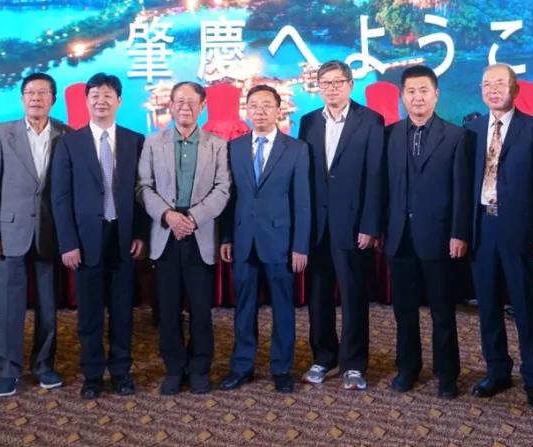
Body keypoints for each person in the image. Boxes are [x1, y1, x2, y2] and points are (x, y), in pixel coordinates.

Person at [464, 64, 533, 410]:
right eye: (487, 84)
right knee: (487, 305)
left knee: (526, 306)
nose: (493, 90)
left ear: (515, 89)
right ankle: (497, 370)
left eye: (500, 84)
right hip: (482, 227)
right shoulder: (471, 131)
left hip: (521, 231)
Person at [52, 73, 147, 399]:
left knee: (122, 311)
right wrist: (68, 243)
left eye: (107, 95)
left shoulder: (135, 140)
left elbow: (141, 192)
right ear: (86, 101)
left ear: (119, 101)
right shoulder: (69, 143)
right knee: (90, 313)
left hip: (123, 236)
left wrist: (140, 233)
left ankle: (121, 372)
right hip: (85, 239)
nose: (101, 101)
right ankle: (92, 374)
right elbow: (60, 197)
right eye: (94, 95)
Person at [383, 64, 472, 398]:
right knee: (404, 312)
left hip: (439, 237)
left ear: (436, 94)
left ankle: (447, 375)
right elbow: (381, 187)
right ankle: (408, 368)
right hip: (399, 237)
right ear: (402, 96)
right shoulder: (389, 135)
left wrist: (459, 233)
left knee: (442, 312)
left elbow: (462, 190)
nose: (417, 97)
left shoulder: (456, 136)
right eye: (411, 91)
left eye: (423, 91)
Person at [0, 72, 71, 397]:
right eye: (30, 92)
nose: (36, 98)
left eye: (42, 93)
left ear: (53, 100)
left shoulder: (67, 134)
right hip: (10, 231)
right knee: (10, 305)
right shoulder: (1, 133)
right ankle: (8, 369)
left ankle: (44, 365)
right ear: (22, 99)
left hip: (50, 232)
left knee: (48, 305)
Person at [137, 81, 230, 395]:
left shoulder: (217, 145)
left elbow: (223, 189)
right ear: (171, 106)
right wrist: (168, 216)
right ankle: (174, 368)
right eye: (179, 101)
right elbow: (143, 186)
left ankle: (200, 367)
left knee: (201, 309)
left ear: (202, 106)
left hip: (199, 234)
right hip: (165, 233)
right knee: (168, 308)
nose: (185, 107)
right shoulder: (153, 142)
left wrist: (192, 218)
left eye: (192, 102)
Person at [218, 84, 311, 394]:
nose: (260, 111)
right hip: (244, 240)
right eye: (254, 106)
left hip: (281, 242)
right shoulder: (234, 147)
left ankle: (281, 369)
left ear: (278, 111)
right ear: (246, 111)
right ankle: (242, 366)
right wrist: (227, 237)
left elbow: (302, 202)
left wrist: (300, 246)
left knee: (283, 307)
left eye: (266, 105)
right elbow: (231, 198)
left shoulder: (296, 149)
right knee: (244, 308)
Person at [298, 60, 384, 391]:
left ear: (350, 85)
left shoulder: (370, 120)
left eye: (337, 82)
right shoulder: (308, 121)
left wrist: (370, 225)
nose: (331, 89)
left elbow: (375, 175)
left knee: (353, 297)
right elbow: (303, 176)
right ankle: (323, 357)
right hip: (317, 227)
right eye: (325, 83)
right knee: (318, 297)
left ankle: (354, 363)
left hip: (353, 225)